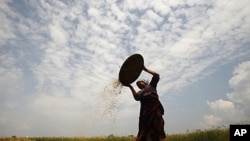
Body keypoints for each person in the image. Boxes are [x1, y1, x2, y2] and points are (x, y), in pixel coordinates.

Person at [125, 66, 166, 141]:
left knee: (159, 130)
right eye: (137, 85)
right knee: (146, 132)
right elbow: (136, 97)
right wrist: (130, 86)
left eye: (139, 82)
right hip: (145, 116)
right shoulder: (140, 93)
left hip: (155, 113)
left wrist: (145, 69)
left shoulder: (151, 86)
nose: (138, 84)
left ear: (144, 82)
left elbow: (156, 75)